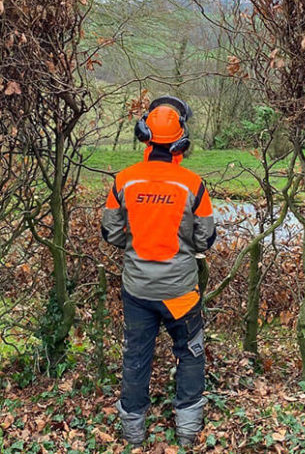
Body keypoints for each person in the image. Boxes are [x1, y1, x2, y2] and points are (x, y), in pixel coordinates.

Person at [101, 96, 217, 447]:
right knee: (190, 350)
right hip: (180, 290)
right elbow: (206, 237)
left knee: (136, 354)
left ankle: (133, 432)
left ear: (144, 135)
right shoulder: (192, 185)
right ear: (182, 140)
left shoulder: (124, 181)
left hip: (137, 289)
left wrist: (137, 244)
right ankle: (187, 428)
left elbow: (111, 232)